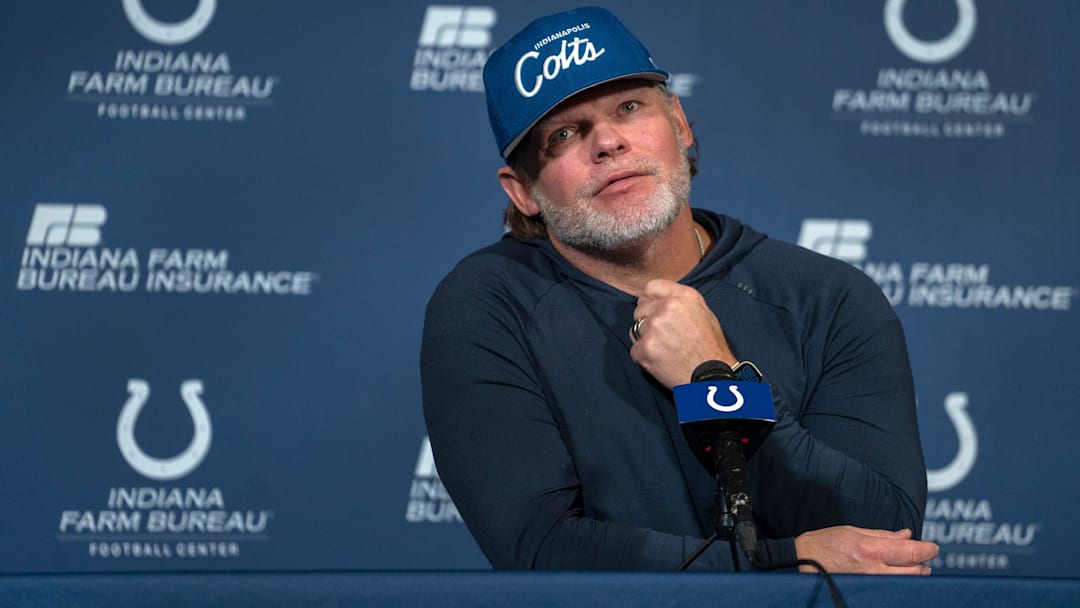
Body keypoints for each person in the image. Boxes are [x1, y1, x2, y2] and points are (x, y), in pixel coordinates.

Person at [421, 6, 938, 574]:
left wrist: (716, 378)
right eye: (564, 134)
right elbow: (541, 550)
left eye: (629, 107)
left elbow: (887, 537)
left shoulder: (827, 297)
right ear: (522, 192)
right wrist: (788, 561)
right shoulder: (488, 306)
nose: (609, 143)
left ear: (680, 125)